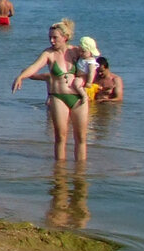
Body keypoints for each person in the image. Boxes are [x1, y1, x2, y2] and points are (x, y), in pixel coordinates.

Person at [12, 19, 88, 162]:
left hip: (78, 97)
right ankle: (59, 171)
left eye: (55, 38)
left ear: (65, 37)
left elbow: (92, 61)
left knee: (81, 137)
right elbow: (35, 66)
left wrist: (85, 80)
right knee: (60, 136)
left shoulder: (76, 51)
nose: (52, 41)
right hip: (58, 97)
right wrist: (21, 76)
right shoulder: (49, 54)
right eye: (50, 38)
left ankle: (80, 171)